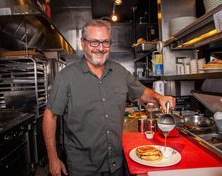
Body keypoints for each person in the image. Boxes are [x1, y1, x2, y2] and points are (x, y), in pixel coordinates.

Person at [43, 19, 175, 176]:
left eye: (106, 42)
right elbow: (50, 116)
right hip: (83, 167)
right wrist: (53, 158)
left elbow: (142, 92)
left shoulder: (119, 72)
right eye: (94, 42)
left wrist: (159, 97)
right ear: (82, 43)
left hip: (116, 163)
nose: (100, 48)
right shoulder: (66, 77)